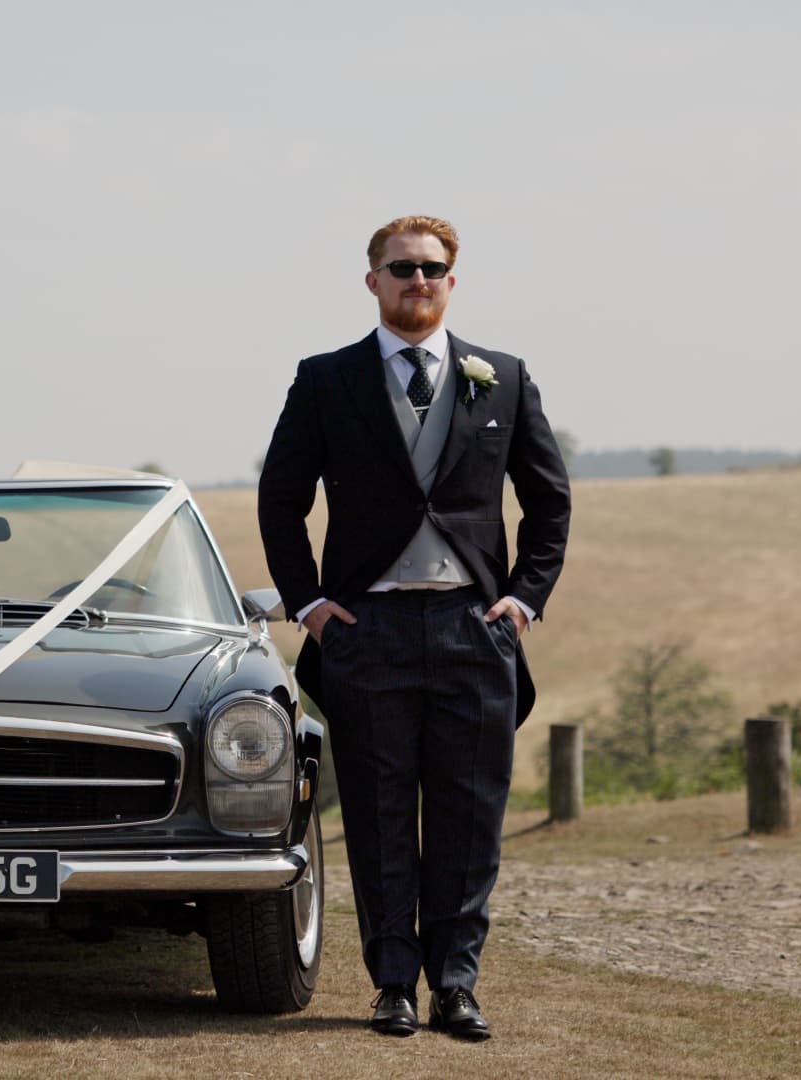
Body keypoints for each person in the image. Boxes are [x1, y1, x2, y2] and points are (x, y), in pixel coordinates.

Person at [256, 215, 570, 1041]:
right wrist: (312, 606)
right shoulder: (325, 381)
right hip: (368, 629)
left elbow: (549, 502)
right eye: (401, 268)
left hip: (475, 630)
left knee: (470, 816)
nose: (417, 281)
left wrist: (524, 600)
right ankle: (393, 983)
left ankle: (456, 986)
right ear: (373, 281)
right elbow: (280, 501)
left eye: (432, 269)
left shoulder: (501, 376)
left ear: (451, 282)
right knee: (378, 809)